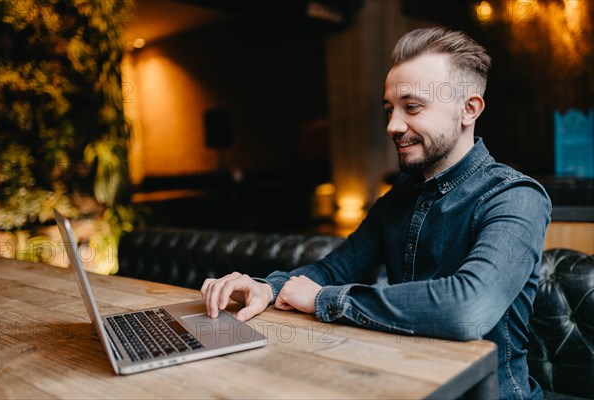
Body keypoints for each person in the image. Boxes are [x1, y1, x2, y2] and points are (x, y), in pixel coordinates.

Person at [202, 27, 551, 400]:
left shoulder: (515, 197)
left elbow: (468, 308)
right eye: (389, 109)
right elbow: (334, 269)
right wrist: (265, 287)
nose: (393, 126)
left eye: (412, 107)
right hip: (407, 384)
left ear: (469, 109)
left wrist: (325, 300)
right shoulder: (398, 198)